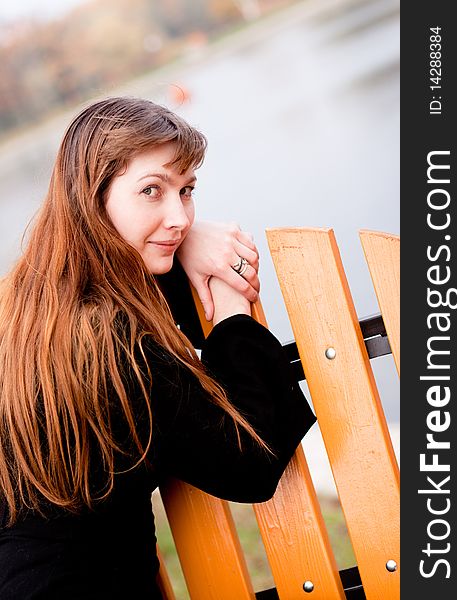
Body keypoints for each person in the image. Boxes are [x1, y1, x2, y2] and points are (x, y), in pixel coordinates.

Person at [0, 97, 315, 599]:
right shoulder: (114, 345)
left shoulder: (28, 309)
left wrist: (181, 239)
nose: (179, 215)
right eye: (152, 191)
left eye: (187, 191)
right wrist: (232, 303)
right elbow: (251, 462)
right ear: (92, 198)